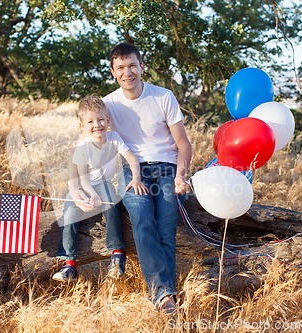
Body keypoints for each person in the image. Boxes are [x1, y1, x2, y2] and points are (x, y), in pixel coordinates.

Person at [72, 43, 192, 314]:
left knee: (166, 226)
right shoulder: (109, 104)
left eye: (132, 66)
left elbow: (183, 143)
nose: (128, 72)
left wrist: (181, 176)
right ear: (114, 72)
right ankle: (164, 295)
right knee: (141, 217)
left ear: (141, 66)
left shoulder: (163, 96)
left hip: (167, 168)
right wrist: (75, 185)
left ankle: (163, 293)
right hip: (133, 170)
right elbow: (81, 147)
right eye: (121, 68)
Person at [53, 95, 148, 282]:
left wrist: (136, 177)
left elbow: (131, 158)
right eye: (90, 121)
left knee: (111, 204)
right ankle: (69, 264)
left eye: (101, 119)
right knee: (69, 215)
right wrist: (90, 195)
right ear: (82, 126)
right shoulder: (83, 147)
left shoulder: (114, 138)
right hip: (83, 187)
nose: (97, 125)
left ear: (108, 120)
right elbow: (82, 179)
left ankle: (117, 253)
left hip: (103, 184)